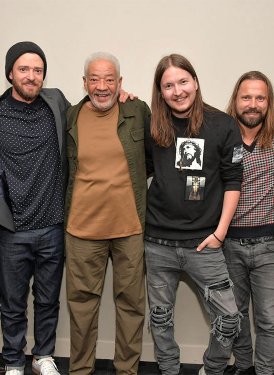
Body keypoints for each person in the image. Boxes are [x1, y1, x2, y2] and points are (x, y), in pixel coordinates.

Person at [144, 53, 243, 375]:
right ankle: (169, 370)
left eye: (183, 81)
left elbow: (233, 181)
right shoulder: (152, 125)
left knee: (229, 317)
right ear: (161, 92)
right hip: (157, 243)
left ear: (196, 82)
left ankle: (213, 369)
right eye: (168, 85)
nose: (178, 91)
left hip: (205, 244)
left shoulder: (223, 125)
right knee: (160, 318)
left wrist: (220, 233)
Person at [65, 52, 151, 375]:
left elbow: (151, 160)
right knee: (82, 307)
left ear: (120, 83)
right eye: (95, 79)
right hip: (82, 230)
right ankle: (80, 370)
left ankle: (127, 370)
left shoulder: (137, 111)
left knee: (131, 306)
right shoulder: (70, 116)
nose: (102, 87)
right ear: (84, 82)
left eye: (109, 79)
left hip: (130, 228)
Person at [0, 41, 70, 375]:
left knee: (47, 299)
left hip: (53, 224)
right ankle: (13, 361)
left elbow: (96, 108)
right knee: (12, 303)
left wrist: (122, 94)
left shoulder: (55, 104)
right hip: (12, 229)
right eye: (24, 69)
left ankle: (43, 356)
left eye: (38, 70)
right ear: (10, 72)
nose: (31, 76)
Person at [223, 71, 274, 375]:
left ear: (268, 103)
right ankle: (243, 368)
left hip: (269, 245)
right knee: (235, 316)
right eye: (246, 97)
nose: (253, 104)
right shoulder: (222, 136)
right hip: (228, 245)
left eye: (260, 98)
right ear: (236, 100)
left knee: (268, 319)